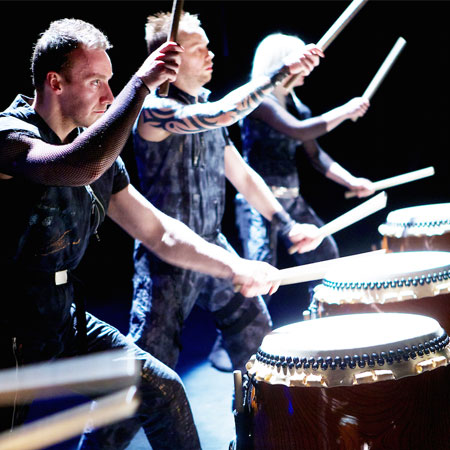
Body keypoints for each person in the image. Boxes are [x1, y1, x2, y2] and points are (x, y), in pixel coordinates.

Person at [0, 18, 285, 449]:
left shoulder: (96, 151)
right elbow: (77, 167)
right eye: (96, 81)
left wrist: (235, 265)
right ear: (54, 82)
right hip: (8, 329)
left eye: (112, 82)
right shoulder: (10, 136)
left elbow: (160, 233)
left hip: (61, 319)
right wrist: (141, 85)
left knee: (161, 389)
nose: (109, 96)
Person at [128, 11, 324, 374]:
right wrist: (278, 74)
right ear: (169, 57)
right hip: (168, 258)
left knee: (258, 343)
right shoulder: (153, 110)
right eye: (197, 47)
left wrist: (286, 224)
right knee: (143, 381)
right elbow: (222, 113)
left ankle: (257, 430)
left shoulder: (202, 106)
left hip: (214, 246)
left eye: (208, 45)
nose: (210, 54)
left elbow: (243, 176)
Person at [235, 33, 375, 312]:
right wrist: (344, 112)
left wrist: (352, 181)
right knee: (262, 274)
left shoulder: (297, 106)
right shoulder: (258, 101)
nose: (308, 71)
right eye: (303, 64)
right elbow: (299, 131)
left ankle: (321, 316)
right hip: (259, 203)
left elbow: (314, 154)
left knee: (325, 255)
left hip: (292, 198)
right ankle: (234, 345)